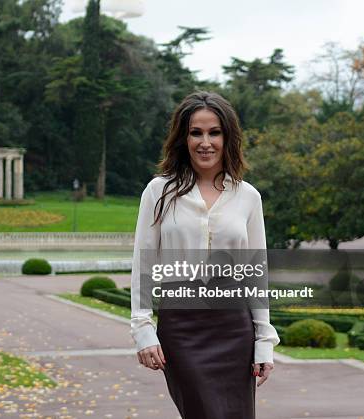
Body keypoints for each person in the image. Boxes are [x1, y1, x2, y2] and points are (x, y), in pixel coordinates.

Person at [130, 91, 280, 418]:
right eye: (195, 132)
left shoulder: (248, 197)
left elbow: (257, 272)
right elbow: (143, 263)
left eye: (214, 132)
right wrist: (143, 329)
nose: (205, 142)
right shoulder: (159, 192)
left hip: (234, 329)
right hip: (182, 328)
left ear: (228, 138)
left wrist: (264, 341)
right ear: (182, 138)